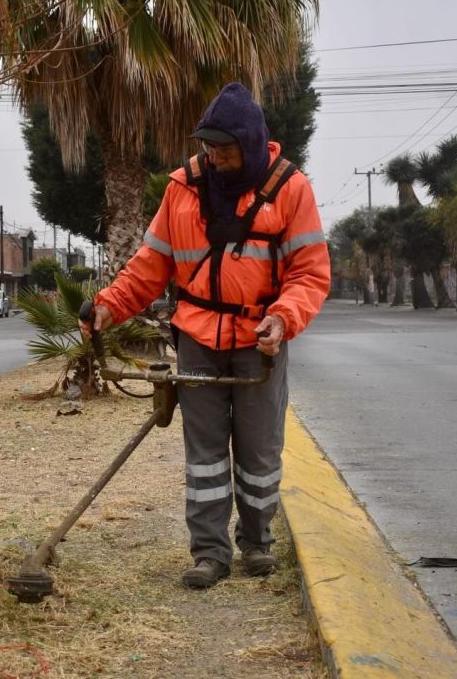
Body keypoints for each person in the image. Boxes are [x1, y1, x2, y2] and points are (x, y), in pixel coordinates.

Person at [81, 82, 331, 589]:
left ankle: (257, 542)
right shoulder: (183, 187)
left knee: (260, 449)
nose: (214, 156)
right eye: (208, 146)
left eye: (225, 147)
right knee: (206, 452)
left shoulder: (290, 189)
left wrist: (282, 319)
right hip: (197, 336)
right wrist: (110, 306)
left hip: (260, 342)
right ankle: (209, 553)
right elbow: (150, 265)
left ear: (251, 142)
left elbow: (310, 273)